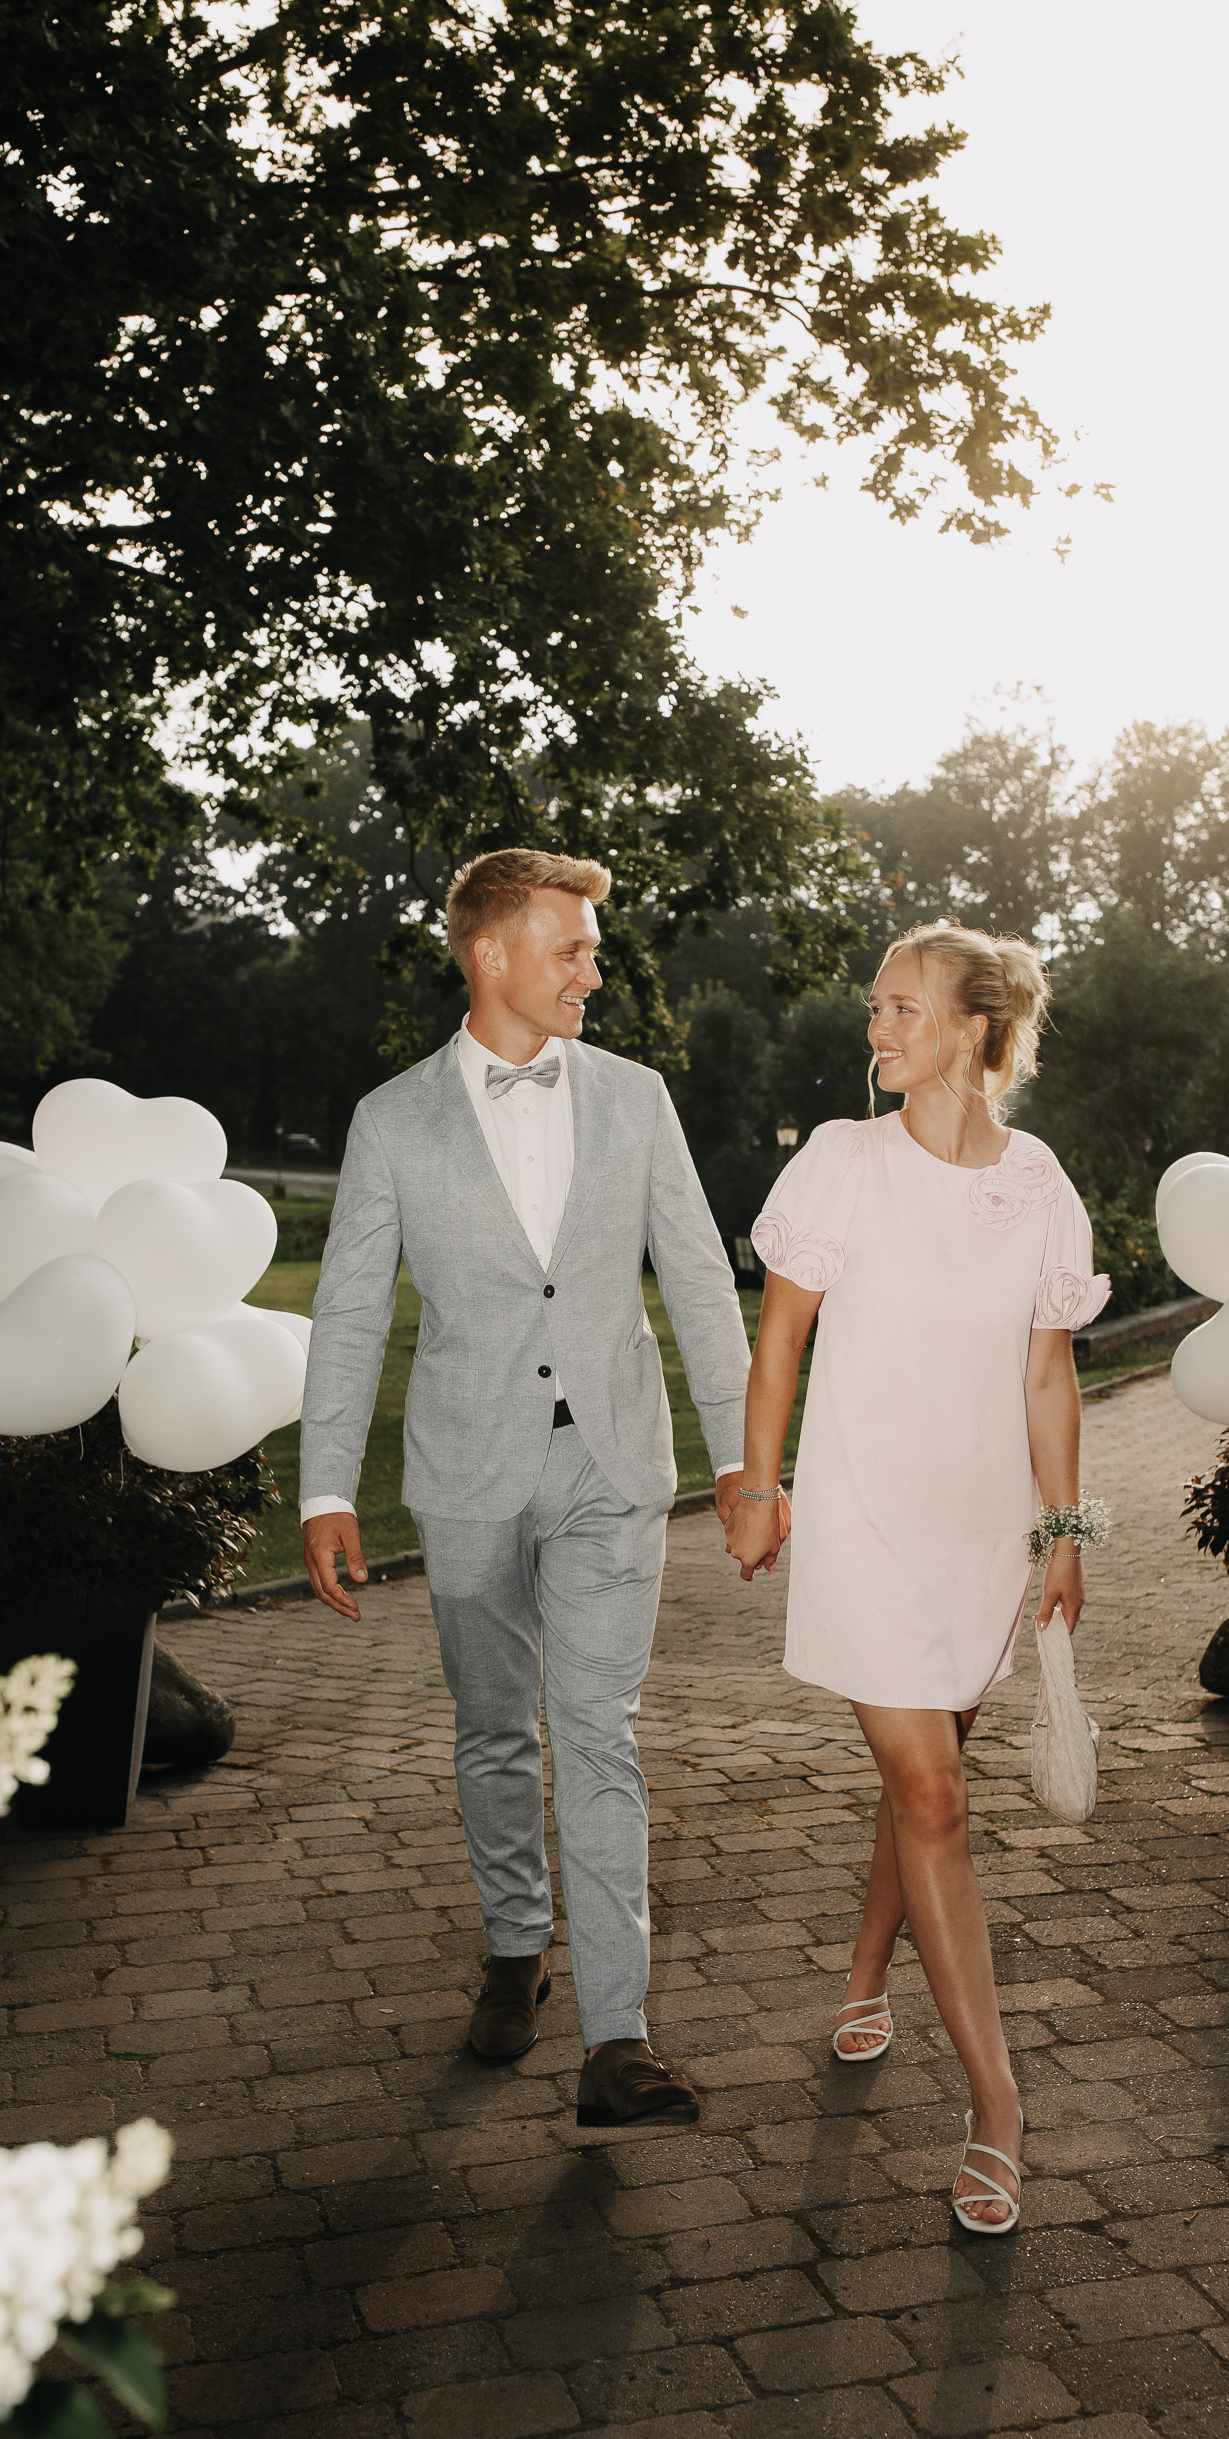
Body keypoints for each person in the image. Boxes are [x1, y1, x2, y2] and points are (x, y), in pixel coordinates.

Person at [300, 848, 751, 2127]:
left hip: (612, 1461)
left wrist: (738, 1459)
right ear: (490, 953)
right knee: (496, 1725)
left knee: (599, 1733)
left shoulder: (637, 1097)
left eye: (593, 951)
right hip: (467, 1468)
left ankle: (619, 2036)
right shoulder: (393, 1119)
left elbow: (699, 1277)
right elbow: (348, 1312)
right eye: (573, 949)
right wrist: (325, 1488)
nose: (593, 974)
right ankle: (514, 1943)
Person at [725, 922, 1108, 2233]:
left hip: (980, 1535)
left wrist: (1065, 1528)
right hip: (865, 1525)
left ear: (972, 1031)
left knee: (925, 1773)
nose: (876, 1029)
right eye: (876, 1008)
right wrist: (757, 1487)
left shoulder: (1040, 1183)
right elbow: (778, 1343)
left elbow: (1047, 1373)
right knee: (936, 1793)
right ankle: (997, 2104)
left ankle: (863, 1970)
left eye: (902, 1009)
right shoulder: (842, 1162)